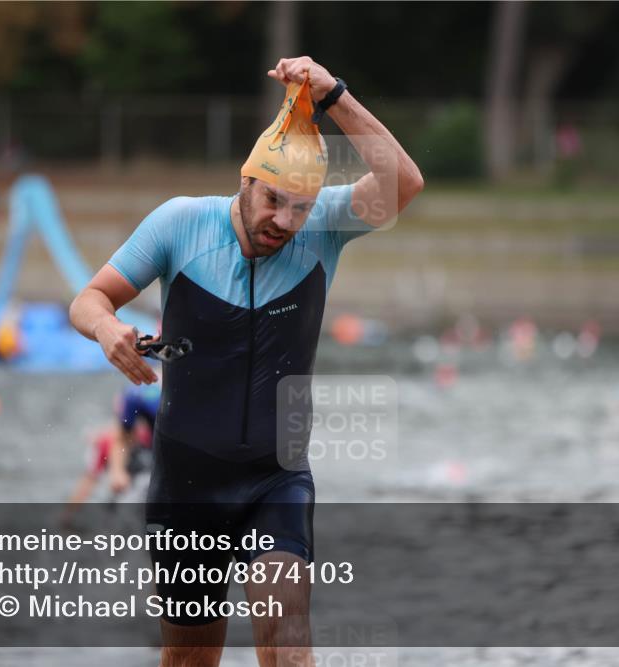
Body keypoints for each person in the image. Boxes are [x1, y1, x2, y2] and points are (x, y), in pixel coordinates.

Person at [70, 56, 423, 667]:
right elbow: (88, 298)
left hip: (275, 477)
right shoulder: (181, 224)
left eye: (300, 209)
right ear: (246, 180)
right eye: (273, 201)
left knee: (288, 641)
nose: (283, 222)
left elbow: (404, 184)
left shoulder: (325, 229)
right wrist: (108, 330)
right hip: (188, 482)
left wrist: (334, 94)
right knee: (189, 661)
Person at [62, 384, 160, 526]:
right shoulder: (106, 442)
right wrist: (67, 517)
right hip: (126, 480)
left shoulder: (144, 432)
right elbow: (90, 479)